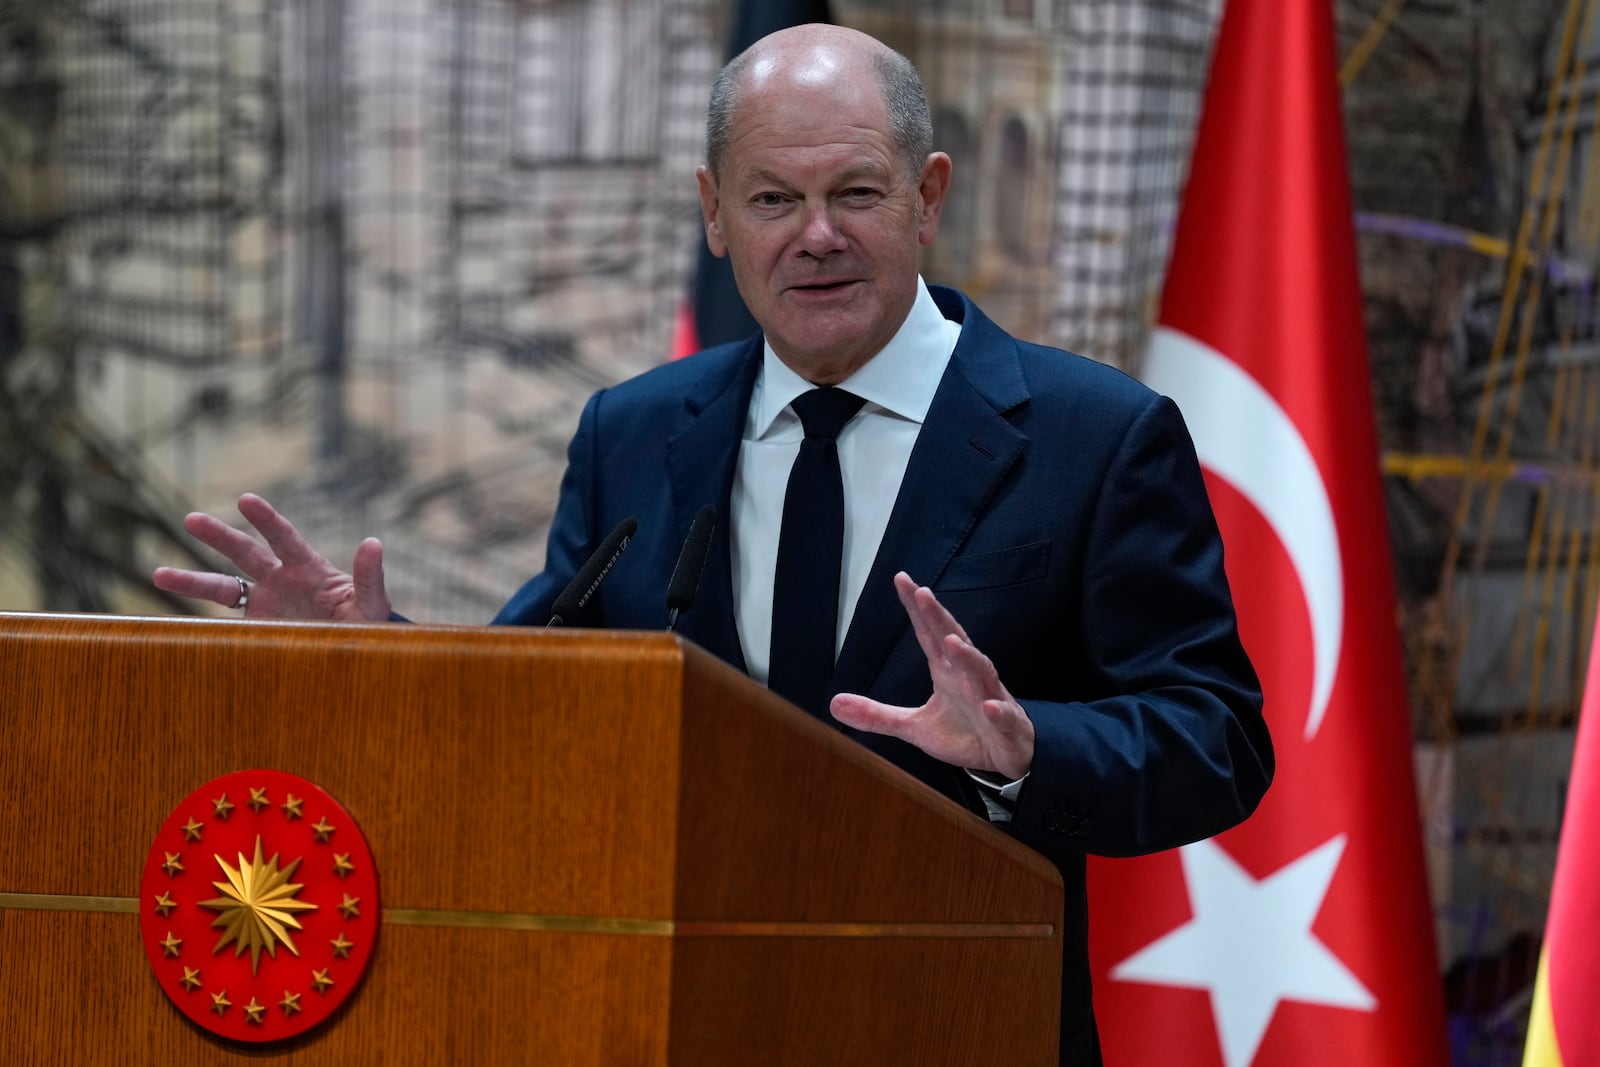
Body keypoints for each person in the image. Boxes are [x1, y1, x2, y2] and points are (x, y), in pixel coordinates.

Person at [153, 24, 1271, 1065]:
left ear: (927, 198)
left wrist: (1025, 750)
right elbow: (548, 701)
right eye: (773, 197)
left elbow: (1216, 739)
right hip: (667, 1018)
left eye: (856, 193)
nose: (815, 234)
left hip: (956, 1015)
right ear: (714, 213)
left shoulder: (1094, 436)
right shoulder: (634, 433)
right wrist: (376, 650)